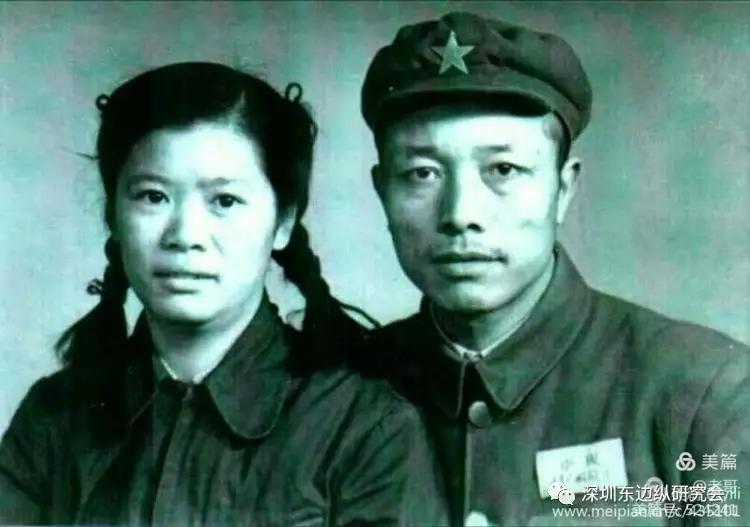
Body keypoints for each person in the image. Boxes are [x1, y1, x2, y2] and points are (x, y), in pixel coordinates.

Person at [357, 12, 750, 526]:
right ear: (381, 191)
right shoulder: (336, 397)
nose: (460, 214)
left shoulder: (701, 394)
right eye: (422, 173)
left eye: (503, 170)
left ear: (563, 189)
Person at [0, 62, 435, 526]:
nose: (185, 235)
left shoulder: (364, 426)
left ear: (283, 221)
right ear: (113, 215)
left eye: (224, 201)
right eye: (152, 196)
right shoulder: (52, 418)